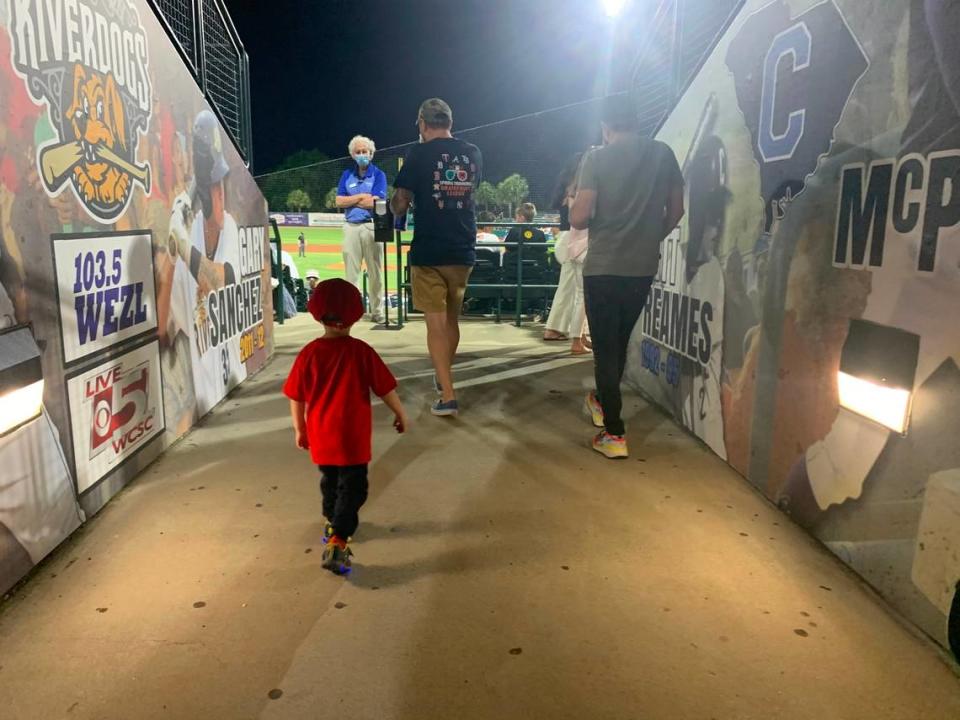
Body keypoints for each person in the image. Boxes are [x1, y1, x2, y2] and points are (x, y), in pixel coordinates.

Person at [569, 94, 685, 458]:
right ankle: (602, 400)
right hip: (642, 266)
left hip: (604, 266)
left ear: (606, 127)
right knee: (617, 342)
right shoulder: (663, 153)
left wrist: (575, 200)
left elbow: (579, 218)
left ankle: (614, 432)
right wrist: (649, 236)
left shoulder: (597, 158)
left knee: (605, 349)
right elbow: (677, 210)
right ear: (636, 121)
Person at [283, 279, 407, 576]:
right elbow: (385, 388)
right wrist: (400, 412)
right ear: (356, 315)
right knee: (354, 487)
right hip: (352, 438)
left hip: (322, 435)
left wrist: (300, 429)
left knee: (330, 480)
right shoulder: (361, 352)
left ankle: (331, 520)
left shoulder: (308, 354)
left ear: (316, 313)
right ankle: (339, 539)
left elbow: (296, 397)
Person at [391, 98, 482, 417]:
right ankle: (444, 376)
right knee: (452, 321)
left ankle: (448, 395)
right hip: (462, 247)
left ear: (422, 124)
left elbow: (400, 203)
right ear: (450, 122)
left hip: (429, 250)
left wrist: (396, 203)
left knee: (435, 324)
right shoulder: (473, 152)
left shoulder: (417, 153)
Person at [166, 109, 248, 418]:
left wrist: (182, 246)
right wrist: (173, 254)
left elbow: (217, 280)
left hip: (235, 388)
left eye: (221, 185)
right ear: (205, 192)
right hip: (206, 406)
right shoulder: (192, 235)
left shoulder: (229, 227)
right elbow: (169, 324)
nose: (221, 194)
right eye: (214, 187)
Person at [336, 135, 387, 324]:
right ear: (352, 154)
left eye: (365, 151)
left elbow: (376, 202)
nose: (361, 154)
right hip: (350, 226)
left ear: (371, 153)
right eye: (358, 152)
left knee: (376, 272)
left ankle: (378, 311)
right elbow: (339, 201)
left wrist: (353, 199)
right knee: (351, 273)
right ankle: (352, 311)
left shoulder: (379, 174)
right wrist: (360, 198)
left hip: (371, 226)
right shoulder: (346, 174)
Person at [543, 154, 590, 354]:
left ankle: (557, 329)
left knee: (568, 289)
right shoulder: (580, 189)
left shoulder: (567, 188)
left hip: (565, 239)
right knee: (580, 292)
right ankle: (575, 336)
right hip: (577, 239)